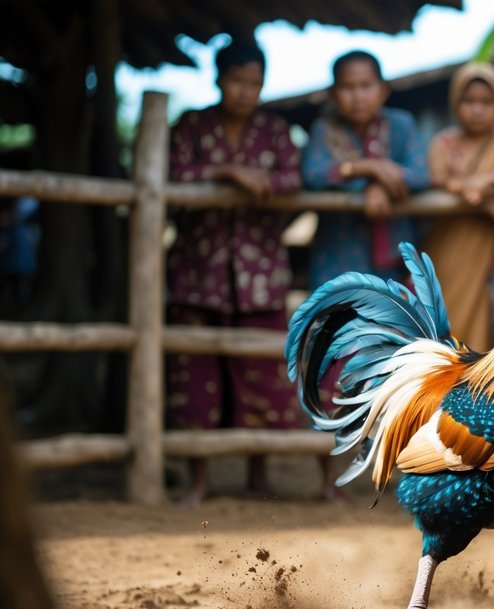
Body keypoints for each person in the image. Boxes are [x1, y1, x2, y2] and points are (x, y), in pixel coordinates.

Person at [163, 41, 304, 505]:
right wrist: (227, 172)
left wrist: (249, 182)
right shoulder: (191, 126)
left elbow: (293, 182)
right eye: (238, 81)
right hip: (197, 273)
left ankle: (259, 475)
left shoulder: (276, 131)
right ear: (218, 79)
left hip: (258, 276)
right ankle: (199, 480)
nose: (246, 91)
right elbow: (171, 177)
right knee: (195, 379)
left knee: (262, 377)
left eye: (255, 82)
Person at [424, 61, 494, 350]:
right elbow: (437, 179)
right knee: (448, 319)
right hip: (450, 247)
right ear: (455, 103)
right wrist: (479, 199)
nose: (477, 109)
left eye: (486, 102)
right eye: (469, 101)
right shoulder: (443, 142)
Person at [302, 50, 429, 288]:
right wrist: (369, 168)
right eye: (348, 87)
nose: (358, 95)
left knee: (389, 323)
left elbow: (421, 174)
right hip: (336, 255)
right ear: (332, 94)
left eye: (366, 85)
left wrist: (381, 186)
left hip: (394, 258)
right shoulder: (323, 130)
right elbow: (312, 174)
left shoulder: (401, 125)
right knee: (335, 322)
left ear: (383, 90)